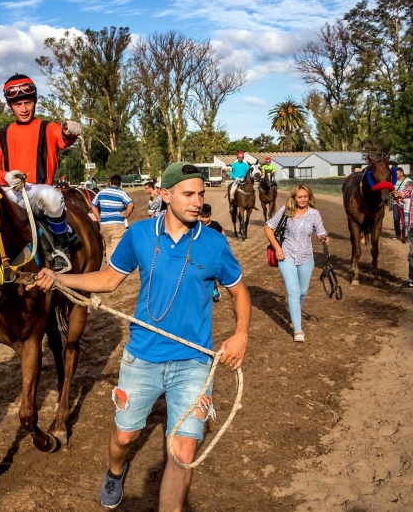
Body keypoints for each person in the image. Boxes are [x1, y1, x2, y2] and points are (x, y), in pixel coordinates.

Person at [27, 162, 251, 511]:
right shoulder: (140, 234)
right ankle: (116, 470)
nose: (197, 202)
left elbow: (238, 291)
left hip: (194, 363)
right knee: (124, 436)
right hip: (142, 357)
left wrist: (240, 334)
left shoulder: (214, 243)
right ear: (165, 195)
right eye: (188, 194)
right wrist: (59, 278)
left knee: (182, 452)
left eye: (201, 194)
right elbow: (107, 281)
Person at [0, 73, 82, 273]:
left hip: (37, 191)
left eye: (27, 102)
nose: (24, 109)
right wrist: (5, 176)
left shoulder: (48, 128)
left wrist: (70, 132)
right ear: (10, 106)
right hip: (9, 192)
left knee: (51, 195)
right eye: (18, 104)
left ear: (34, 101)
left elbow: (63, 139)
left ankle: (61, 248)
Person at [264, 184, 329, 342]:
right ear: (294, 197)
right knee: (293, 292)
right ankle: (298, 330)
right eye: (300, 197)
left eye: (305, 196)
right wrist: (277, 248)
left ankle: (295, 313)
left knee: (302, 292)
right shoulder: (286, 211)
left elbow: (320, 232)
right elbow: (268, 227)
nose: (303, 199)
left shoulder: (314, 214)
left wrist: (324, 238)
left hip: (307, 257)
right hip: (286, 256)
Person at [92, 174, 135, 265]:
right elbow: (131, 204)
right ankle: (113, 270)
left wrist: (98, 217)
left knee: (108, 246)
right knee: (116, 248)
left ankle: (109, 267)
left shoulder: (101, 193)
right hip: (117, 224)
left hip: (104, 224)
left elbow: (93, 205)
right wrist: (126, 214)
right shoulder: (121, 193)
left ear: (110, 182)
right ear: (119, 184)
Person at [393, 182, 413, 287]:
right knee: (412, 253)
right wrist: (395, 192)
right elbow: (400, 194)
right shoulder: (411, 188)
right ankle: (412, 279)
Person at [393, 168, 412, 241]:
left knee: (405, 220)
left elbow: (409, 190)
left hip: (406, 203)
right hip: (396, 202)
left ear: (401, 173)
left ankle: (406, 235)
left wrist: (402, 197)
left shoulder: (408, 181)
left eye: (397, 173)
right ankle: (398, 234)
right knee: (396, 219)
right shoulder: (394, 181)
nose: (395, 175)